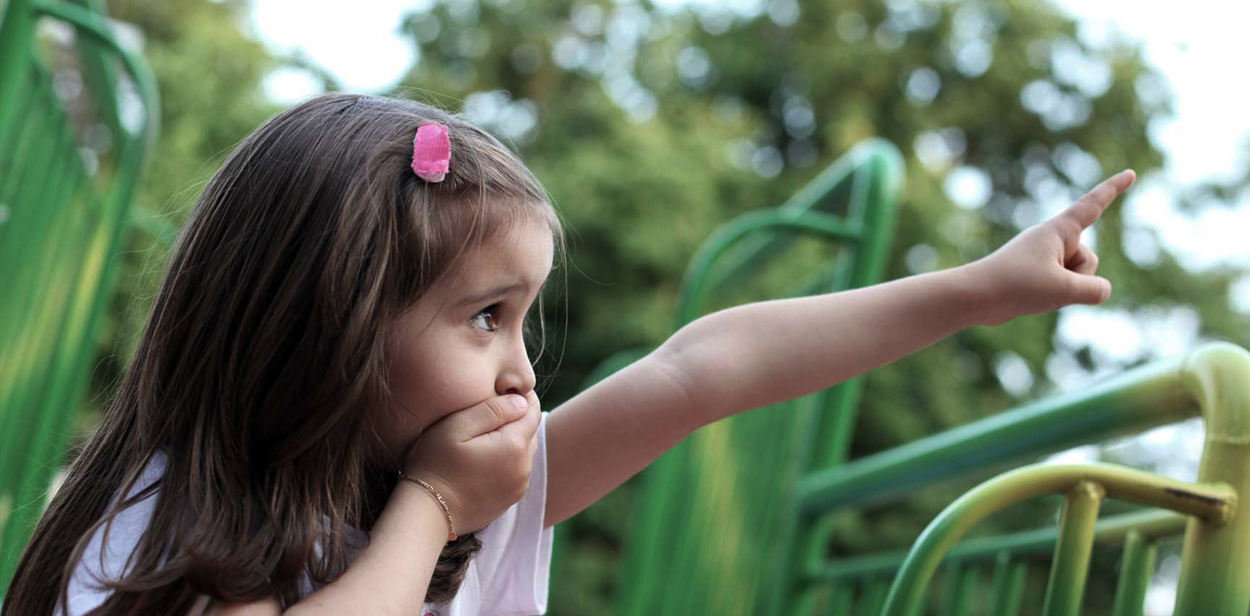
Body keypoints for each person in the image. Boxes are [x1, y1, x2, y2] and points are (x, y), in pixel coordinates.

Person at [0, 93, 1135, 616]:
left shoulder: (475, 497)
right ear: (328, 326)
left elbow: (701, 370)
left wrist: (975, 290)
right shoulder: (165, 537)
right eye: (483, 317)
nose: (522, 371)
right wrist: (428, 512)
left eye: (524, 320)